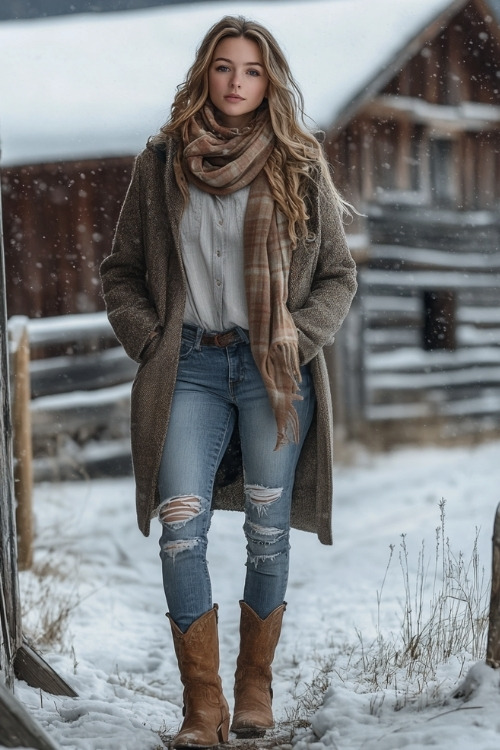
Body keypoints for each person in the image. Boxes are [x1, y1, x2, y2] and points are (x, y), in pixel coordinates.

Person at [100, 14, 357, 748]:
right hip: (190, 367)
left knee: (269, 533)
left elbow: (338, 276)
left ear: (267, 81)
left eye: (250, 70)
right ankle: (202, 707)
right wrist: (151, 340)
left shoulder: (299, 164)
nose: (236, 82)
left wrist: (298, 337)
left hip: (274, 370)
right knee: (182, 530)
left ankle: (254, 692)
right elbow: (121, 272)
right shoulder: (161, 164)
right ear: (205, 73)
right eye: (223, 67)